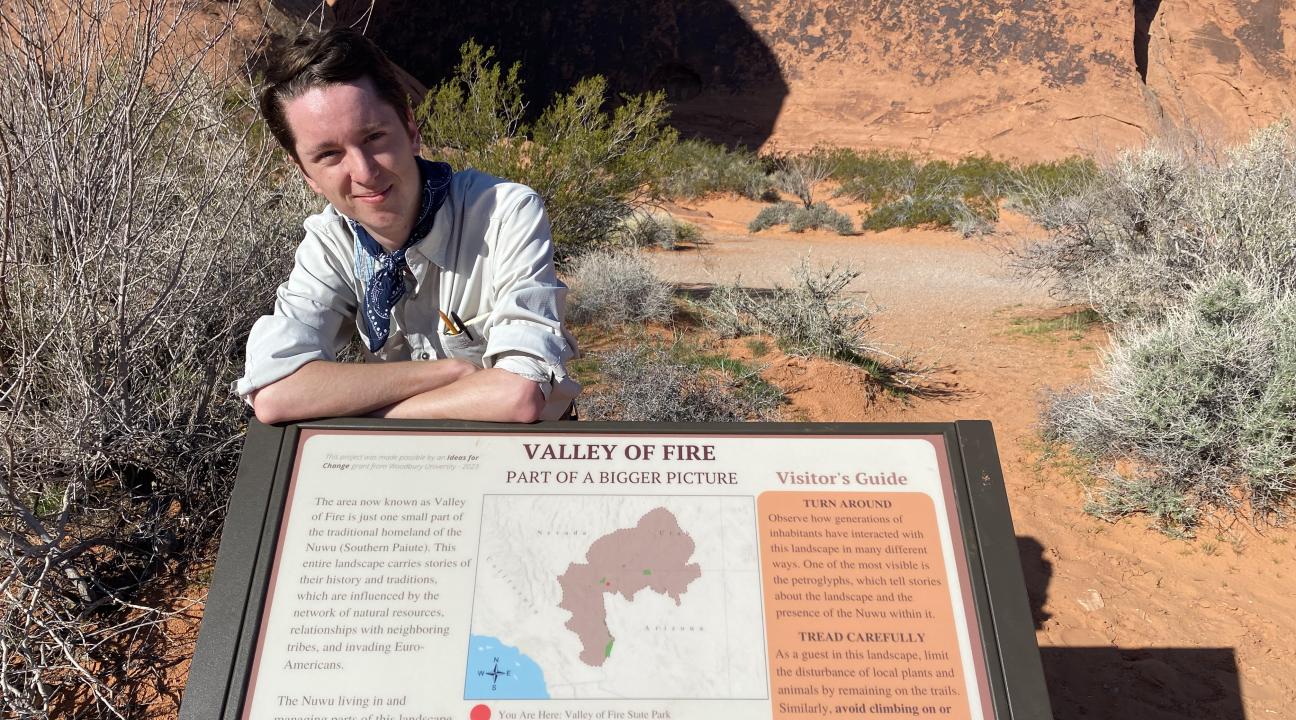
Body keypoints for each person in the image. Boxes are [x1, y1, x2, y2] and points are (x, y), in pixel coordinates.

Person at [235, 28, 579, 423]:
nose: (363, 172)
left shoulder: (503, 213)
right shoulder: (331, 242)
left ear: (411, 129)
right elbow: (277, 393)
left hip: (520, 456)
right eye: (329, 154)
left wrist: (366, 413)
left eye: (375, 137)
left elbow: (518, 396)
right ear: (306, 174)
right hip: (403, 463)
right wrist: (449, 373)